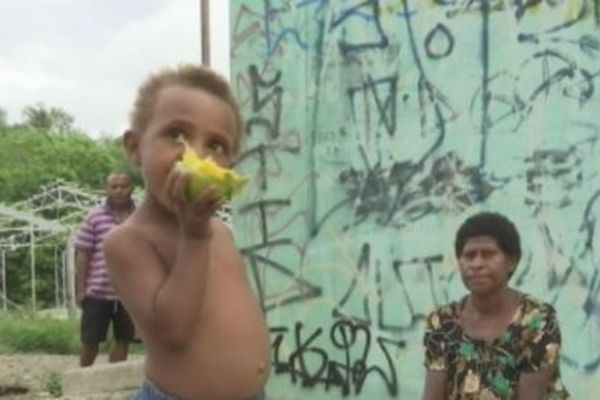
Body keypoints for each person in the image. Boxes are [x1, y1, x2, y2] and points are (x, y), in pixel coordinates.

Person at [103, 65, 271, 400]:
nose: (194, 154)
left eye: (217, 145)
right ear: (136, 147)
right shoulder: (128, 241)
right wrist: (194, 239)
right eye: (177, 135)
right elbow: (173, 332)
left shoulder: (220, 231)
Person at [422, 212, 570, 400]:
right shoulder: (442, 321)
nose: (477, 264)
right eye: (469, 255)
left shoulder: (537, 320)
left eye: (488, 254)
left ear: (512, 262)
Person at [75, 172, 136, 367]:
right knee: (90, 339)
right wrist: (81, 289)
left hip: (130, 292)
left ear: (132, 188)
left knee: (124, 339)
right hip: (98, 291)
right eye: (114, 186)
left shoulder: (141, 216)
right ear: (106, 189)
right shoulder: (95, 217)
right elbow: (83, 254)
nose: (119, 190)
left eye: (123, 186)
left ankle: (113, 383)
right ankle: (82, 383)